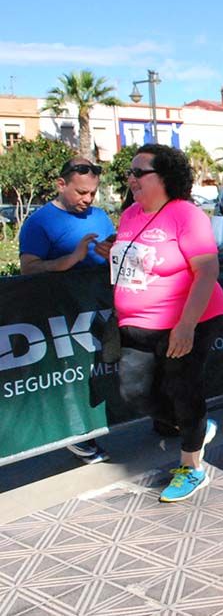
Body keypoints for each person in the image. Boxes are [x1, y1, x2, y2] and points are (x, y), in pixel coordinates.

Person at [111, 144, 223, 501]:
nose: (130, 178)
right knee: (133, 392)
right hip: (136, 324)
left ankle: (191, 468)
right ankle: (197, 426)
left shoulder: (186, 215)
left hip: (187, 320)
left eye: (138, 172)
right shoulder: (130, 214)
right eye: (129, 173)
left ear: (165, 178)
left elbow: (207, 270)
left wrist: (187, 325)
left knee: (183, 391)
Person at [19, 156, 117, 464]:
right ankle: (79, 437)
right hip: (61, 316)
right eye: (80, 193)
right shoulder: (38, 222)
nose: (87, 200)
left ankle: (160, 419)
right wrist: (69, 260)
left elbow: (120, 253)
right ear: (61, 185)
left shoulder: (100, 216)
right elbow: (28, 268)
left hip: (104, 308)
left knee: (114, 367)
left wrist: (112, 251)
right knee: (74, 374)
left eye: (92, 193)